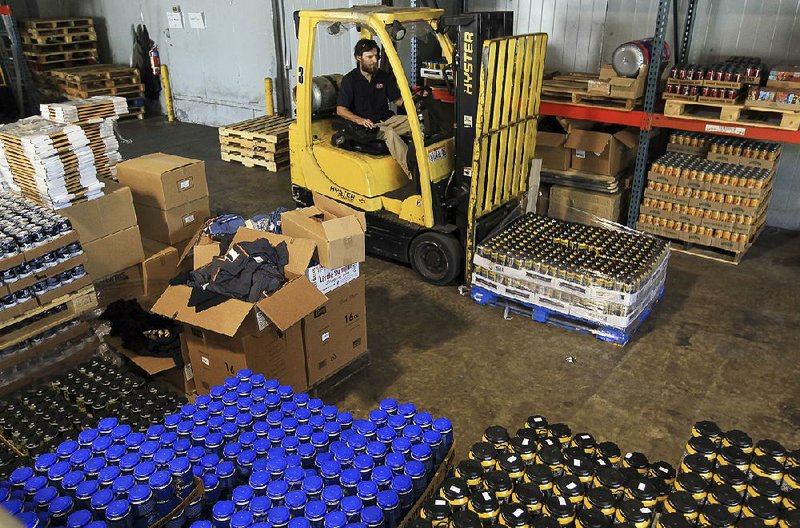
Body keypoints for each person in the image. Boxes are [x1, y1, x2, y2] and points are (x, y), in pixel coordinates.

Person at [336, 38, 412, 178]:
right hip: (368, 127)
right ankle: (413, 171)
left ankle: (429, 162)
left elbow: (397, 100)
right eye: (369, 57)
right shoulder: (350, 80)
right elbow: (341, 109)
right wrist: (359, 120)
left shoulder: (382, 76)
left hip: (387, 119)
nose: (374, 60)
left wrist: (414, 100)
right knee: (389, 133)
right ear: (359, 57)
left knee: (415, 123)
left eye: (376, 56)